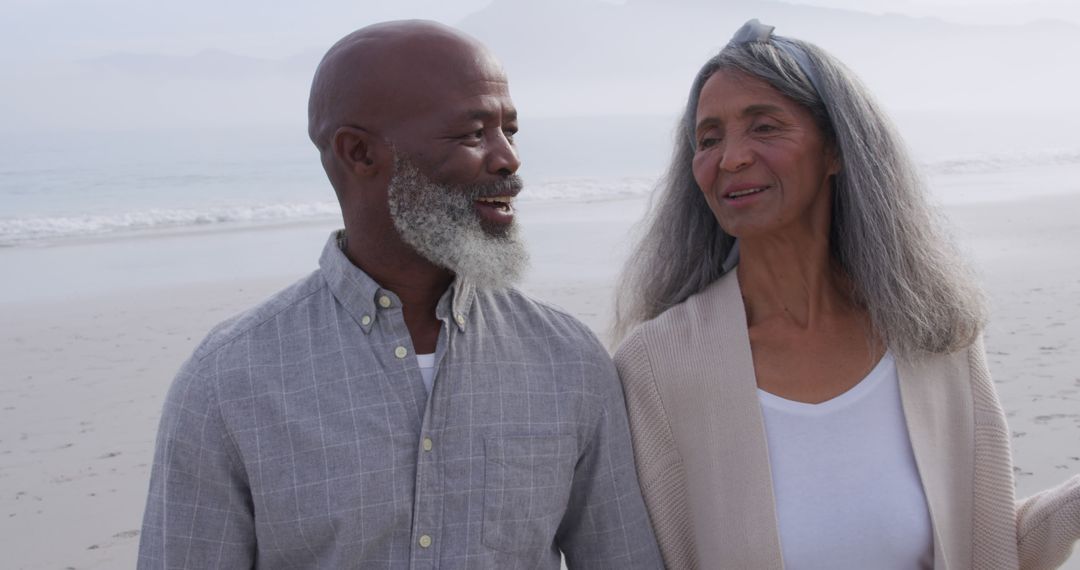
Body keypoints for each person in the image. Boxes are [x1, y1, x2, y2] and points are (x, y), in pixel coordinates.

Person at [137, 20, 662, 569]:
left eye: (509, 130)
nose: (508, 158)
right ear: (359, 153)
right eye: (473, 134)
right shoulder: (228, 383)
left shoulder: (569, 361)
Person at [613, 19, 1080, 570]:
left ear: (836, 148)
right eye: (708, 138)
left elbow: (984, 544)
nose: (731, 157)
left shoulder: (932, 336)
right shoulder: (660, 366)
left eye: (764, 127)